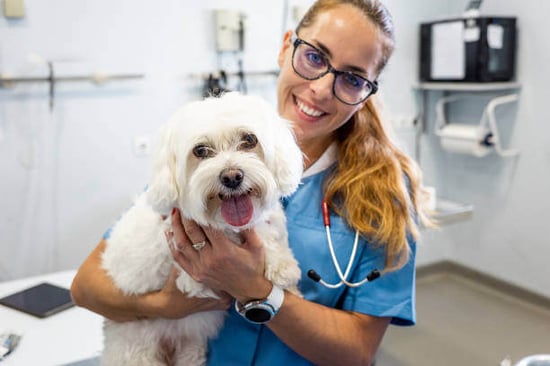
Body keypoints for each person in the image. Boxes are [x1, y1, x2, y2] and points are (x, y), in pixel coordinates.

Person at [71, 0, 432, 365]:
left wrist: (256, 290)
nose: (322, 89)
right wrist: (166, 305)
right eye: (314, 57)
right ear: (286, 46)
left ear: (367, 92)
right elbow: (86, 288)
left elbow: (356, 351)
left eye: (353, 79)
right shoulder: (199, 155)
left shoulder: (386, 195)